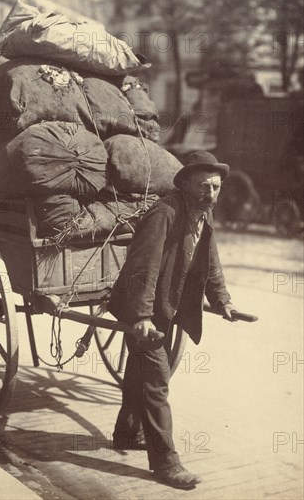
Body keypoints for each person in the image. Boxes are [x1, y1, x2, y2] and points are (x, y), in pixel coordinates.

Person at [107, 151, 237, 490]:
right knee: (157, 378)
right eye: (203, 187)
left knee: (141, 368)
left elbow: (210, 261)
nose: (210, 194)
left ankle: (127, 432)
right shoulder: (164, 214)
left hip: (163, 308)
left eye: (215, 187)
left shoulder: (201, 216)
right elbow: (143, 267)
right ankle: (165, 462)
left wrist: (223, 301)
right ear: (185, 185)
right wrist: (140, 317)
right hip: (143, 307)